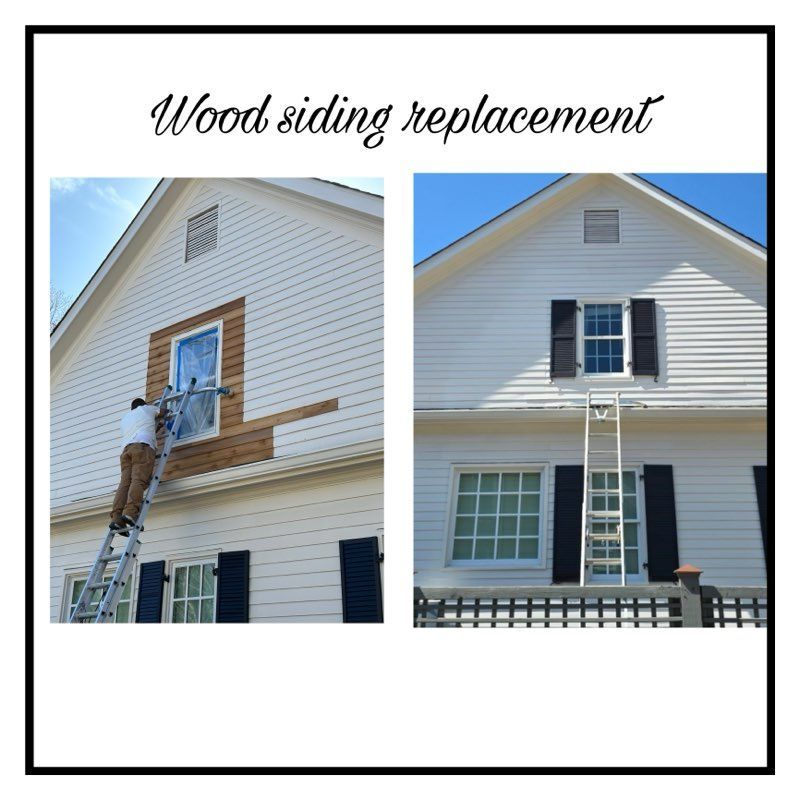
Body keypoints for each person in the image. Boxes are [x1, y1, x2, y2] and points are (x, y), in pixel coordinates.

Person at [109, 398, 166, 531]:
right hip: (142, 447)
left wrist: (155, 428)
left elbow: (139, 429)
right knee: (138, 480)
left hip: (126, 450)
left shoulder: (126, 418)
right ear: (143, 405)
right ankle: (130, 513)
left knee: (124, 484)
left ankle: (116, 518)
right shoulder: (147, 409)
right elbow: (164, 412)